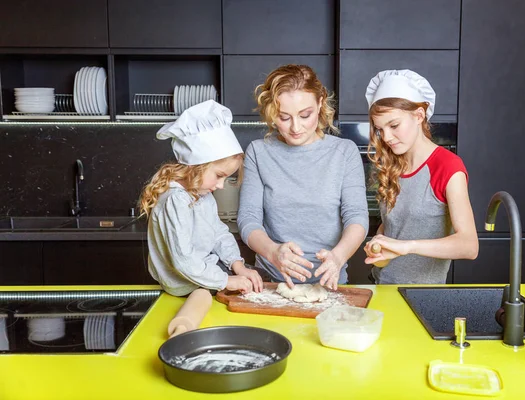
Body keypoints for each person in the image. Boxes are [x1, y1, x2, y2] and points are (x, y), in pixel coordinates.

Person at [237, 64, 369, 290]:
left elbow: (356, 216)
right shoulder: (259, 152)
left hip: (329, 283)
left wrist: (338, 257)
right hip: (271, 282)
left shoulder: (344, 152)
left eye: (305, 115)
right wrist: (273, 252)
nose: (295, 127)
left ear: (320, 103)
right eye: (284, 117)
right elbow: (248, 218)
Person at [363, 70, 479, 284]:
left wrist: (407, 247)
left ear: (418, 115)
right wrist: (378, 246)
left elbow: (469, 246)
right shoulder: (391, 164)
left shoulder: (447, 166)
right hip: (380, 287)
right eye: (380, 129)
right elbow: (395, 228)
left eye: (394, 125)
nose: (387, 137)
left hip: (422, 296)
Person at [139, 100, 263, 296]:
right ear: (196, 167)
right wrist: (226, 280)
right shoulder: (175, 200)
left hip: (207, 274)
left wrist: (237, 265)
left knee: (258, 279)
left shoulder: (202, 194)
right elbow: (184, 260)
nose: (221, 185)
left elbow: (218, 233)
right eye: (219, 175)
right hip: (186, 285)